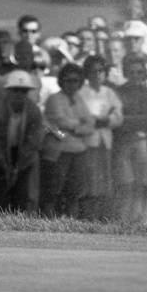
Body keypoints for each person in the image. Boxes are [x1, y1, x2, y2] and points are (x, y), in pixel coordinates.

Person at [0, 70, 43, 213]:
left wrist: (18, 167)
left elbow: (34, 141)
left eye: (24, 91)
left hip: (23, 157)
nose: (19, 94)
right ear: (8, 91)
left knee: (21, 197)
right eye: (15, 90)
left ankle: (18, 230)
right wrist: (5, 166)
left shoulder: (33, 111)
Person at [41, 64, 95, 217]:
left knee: (74, 191)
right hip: (59, 152)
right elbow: (60, 122)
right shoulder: (54, 98)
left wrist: (75, 126)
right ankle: (48, 222)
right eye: (68, 80)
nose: (72, 84)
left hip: (78, 151)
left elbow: (90, 124)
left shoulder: (79, 99)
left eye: (76, 81)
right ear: (61, 81)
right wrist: (80, 123)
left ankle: (71, 222)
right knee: (53, 190)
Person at [113, 56, 147, 220]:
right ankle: (122, 220)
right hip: (123, 143)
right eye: (132, 72)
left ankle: (138, 220)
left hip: (142, 143)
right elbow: (118, 121)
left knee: (142, 184)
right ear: (126, 72)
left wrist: (131, 122)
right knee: (125, 184)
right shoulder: (118, 93)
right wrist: (136, 124)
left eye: (140, 72)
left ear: (144, 74)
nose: (136, 76)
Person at [78, 56, 124, 219]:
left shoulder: (109, 93)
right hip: (87, 142)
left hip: (105, 141)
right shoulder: (81, 93)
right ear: (87, 73)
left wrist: (108, 120)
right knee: (88, 181)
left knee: (104, 181)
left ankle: (101, 217)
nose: (97, 75)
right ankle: (86, 217)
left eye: (101, 71)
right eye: (93, 71)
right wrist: (92, 120)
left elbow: (119, 116)